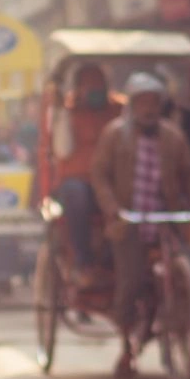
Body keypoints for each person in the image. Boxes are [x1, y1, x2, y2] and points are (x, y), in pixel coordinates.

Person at [91, 72, 190, 378]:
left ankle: (181, 330)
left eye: (154, 101)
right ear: (133, 105)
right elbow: (99, 176)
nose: (149, 108)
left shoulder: (173, 136)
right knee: (131, 280)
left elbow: (189, 176)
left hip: (166, 220)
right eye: (143, 102)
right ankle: (127, 343)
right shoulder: (114, 134)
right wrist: (113, 210)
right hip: (129, 223)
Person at [52, 64, 123, 287]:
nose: (95, 91)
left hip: (112, 180)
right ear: (79, 89)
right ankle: (83, 264)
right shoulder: (68, 111)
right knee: (77, 195)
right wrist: (61, 114)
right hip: (79, 181)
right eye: (89, 87)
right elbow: (62, 150)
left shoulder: (120, 109)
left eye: (99, 86)